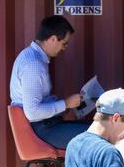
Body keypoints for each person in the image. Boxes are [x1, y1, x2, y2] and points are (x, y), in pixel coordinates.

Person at [10, 15, 90, 150]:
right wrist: (65, 104)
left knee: (98, 128)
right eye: (64, 43)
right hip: (41, 130)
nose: (64, 48)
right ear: (53, 39)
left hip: (46, 125)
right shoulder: (33, 64)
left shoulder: (33, 57)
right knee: (100, 134)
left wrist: (65, 106)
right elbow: (33, 112)